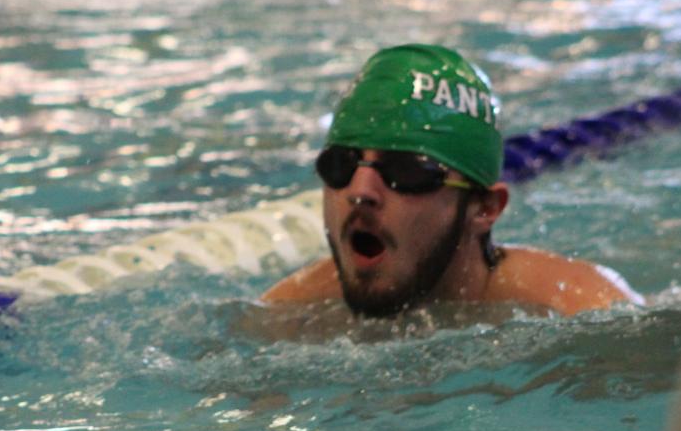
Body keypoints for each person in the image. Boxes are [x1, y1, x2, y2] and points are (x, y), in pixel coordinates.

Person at [263, 44, 642, 317]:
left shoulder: (579, 309)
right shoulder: (288, 318)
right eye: (341, 165)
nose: (360, 192)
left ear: (486, 208)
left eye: (407, 172)